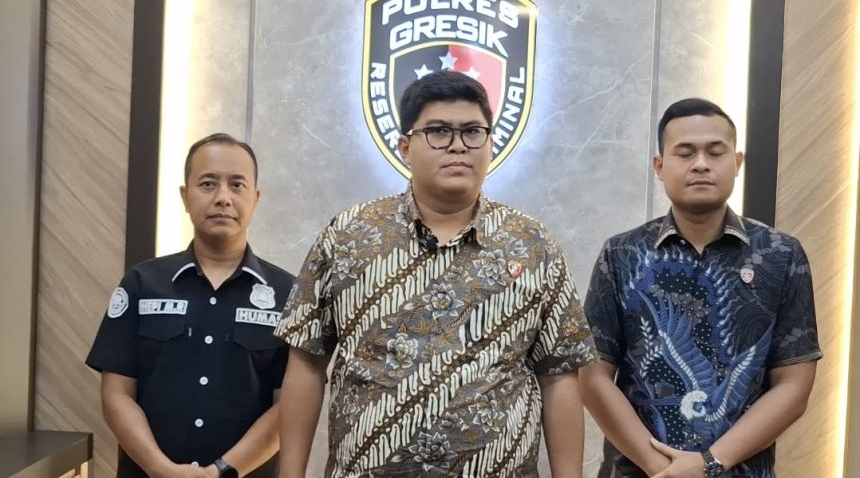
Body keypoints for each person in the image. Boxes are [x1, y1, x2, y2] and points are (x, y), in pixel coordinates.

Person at [274, 70, 596, 477]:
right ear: (405, 147)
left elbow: (559, 376)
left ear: (490, 143)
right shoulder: (348, 235)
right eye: (439, 131)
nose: (458, 145)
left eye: (472, 131)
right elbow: (306, 362)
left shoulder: (534, 245)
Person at [580, 98, 821, 478]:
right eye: (685, 152)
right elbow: (593, 376)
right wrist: (663, 469)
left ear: (737, 162)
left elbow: (793, 384)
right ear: (660, 166)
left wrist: (709, 463)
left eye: (715, 151)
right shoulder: (622, 254)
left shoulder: (780, 255)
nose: (701, 164)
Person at [87, 133, 294, 477]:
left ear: (255, 198)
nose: (223, 198)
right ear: (185, 196)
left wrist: (220, 472)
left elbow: (289, 406)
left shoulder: (287, 294)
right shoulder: (141, 284)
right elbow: (116, 394)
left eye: (237, 185)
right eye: (208, 184)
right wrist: (160, 469)